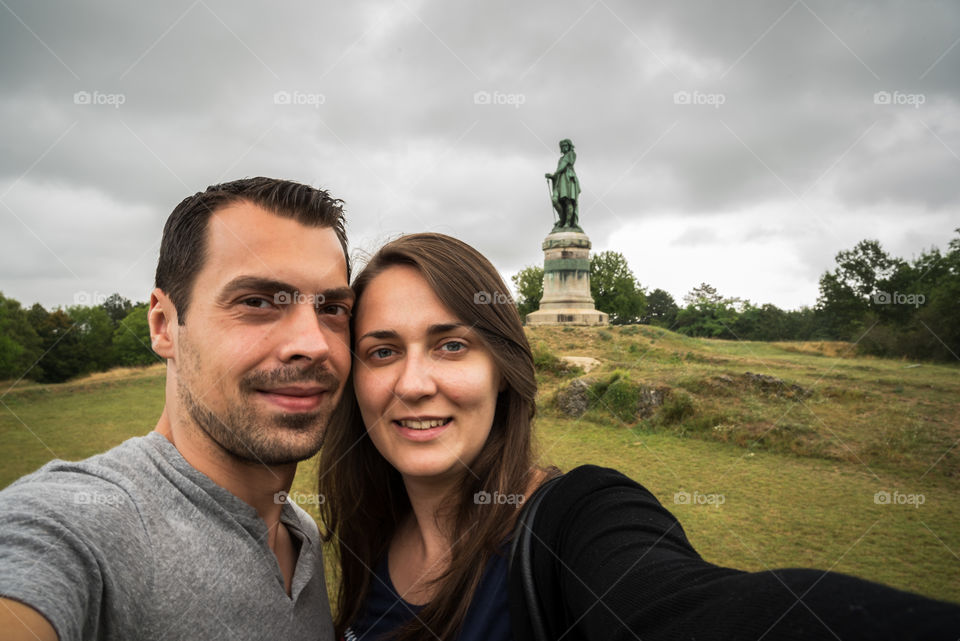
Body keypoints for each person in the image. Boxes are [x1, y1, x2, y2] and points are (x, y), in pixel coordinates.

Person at [318, 232, 960, 641]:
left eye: (451, 345)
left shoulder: (580, 522)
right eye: (381, 352)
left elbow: (690, 610)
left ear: (504, 371)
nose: (413, 382)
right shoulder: (364, 527)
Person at [0, 177, 353, 641]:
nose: (312, 344)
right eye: (257, 302)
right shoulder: (83, 525)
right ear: (164, 325)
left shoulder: (300, 533)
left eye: (331, 308)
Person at [544, 138, 580, 229]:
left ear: (569, 146)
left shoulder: (571, 154)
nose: (564, 148)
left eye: (566, 146)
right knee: (555, 200)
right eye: (562, 146)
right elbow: (559, 169)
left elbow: (563, 166)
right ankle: (562, 219)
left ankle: (567, 223)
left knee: (568, 201)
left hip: (568, 179)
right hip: (560, 180)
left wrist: (554, 174)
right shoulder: (560, 159)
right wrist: (552, 177)